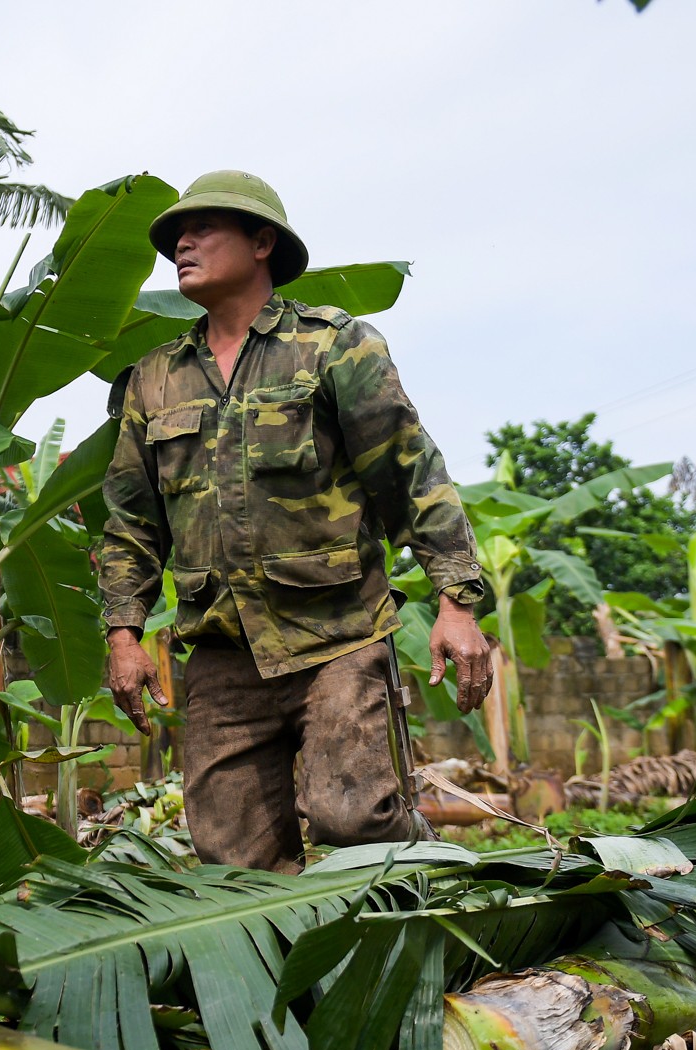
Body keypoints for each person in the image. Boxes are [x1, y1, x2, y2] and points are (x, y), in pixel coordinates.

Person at [98, 170, 493, 872]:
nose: (180, 243)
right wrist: (124, 631)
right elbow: (132, 523)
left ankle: (434, 895)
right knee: (233, 860)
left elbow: (410, 473)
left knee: (352, 814)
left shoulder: (334, 347)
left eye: (202, 229)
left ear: (261, 242)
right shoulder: (154, 381)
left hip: (337, 635)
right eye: (175, 237)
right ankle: (297, 977)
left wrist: (456, 601)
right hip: (224, 651)